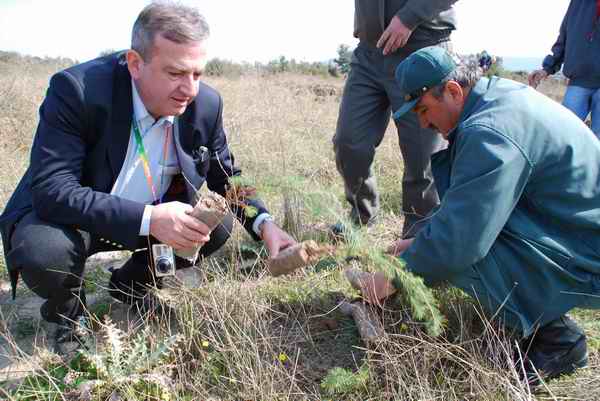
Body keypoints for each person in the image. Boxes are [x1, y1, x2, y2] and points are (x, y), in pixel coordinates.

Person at [0, 2, 295, 353]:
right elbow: (52, 190)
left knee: (215, 226)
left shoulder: (205, 105)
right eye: (175, 74)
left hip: (153, 220)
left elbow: (226, 177)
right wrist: (149, 219)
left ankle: (131, 286)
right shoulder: (78, 91)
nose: (189, 89)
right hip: (77, 220)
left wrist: (265, 224)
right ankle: (69, 317)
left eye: (197, 75)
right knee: (43, 250)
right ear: (135, 63)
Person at [359, 46, 600, 384]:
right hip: (570, 228)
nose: (423, 122)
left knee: (462, 254)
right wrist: (416, 244)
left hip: (589, 251)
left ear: (454, 91)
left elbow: (461, 241)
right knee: (439, 241)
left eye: (424, 109)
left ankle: (557, 341)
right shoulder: (494, 99)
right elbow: (473, 206)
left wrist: (396, 276)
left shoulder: (490, 131)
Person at [332, 0, 457, 238]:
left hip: (423, 46)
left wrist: (409, 17)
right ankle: (361, 216)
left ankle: (419, 234)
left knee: (423, 155)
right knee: (349, 142)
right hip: (370, 49)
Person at [528, 0, 600, 138]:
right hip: (578, 81)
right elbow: (564, 37)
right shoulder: (577, 3)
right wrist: (547, 68)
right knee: (563, 136)